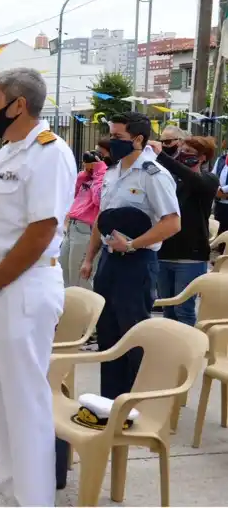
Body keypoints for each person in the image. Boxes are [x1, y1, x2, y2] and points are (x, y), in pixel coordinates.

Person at [0, 68, 76, 507]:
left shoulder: (49, 153)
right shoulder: (8, 151)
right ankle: (5, 495)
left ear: (18, 104)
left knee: (25, 400)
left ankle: (33, 501)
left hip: (24, 286)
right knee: (1, 396)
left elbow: (41, 231)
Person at [80, 111, 180, 400]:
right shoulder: (113, 172)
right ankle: (108, 404)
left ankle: (134, 405)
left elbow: (172, 223)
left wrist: (134, 244)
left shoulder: (154, 174)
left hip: (137, 264)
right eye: (111, 135)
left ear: (138, 139)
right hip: (109, 263)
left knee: (133, 336)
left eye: (118, 137)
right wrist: (90, 258)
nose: (112, 141)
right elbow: (103, 219)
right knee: (108, 337)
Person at [152, 135, 218, 326]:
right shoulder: (172, 180)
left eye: (191, 153)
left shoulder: (208, 180)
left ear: (204, 157)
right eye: (183, 150)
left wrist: (163, 156)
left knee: (184, 309)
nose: (184, 155)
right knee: (167, 308)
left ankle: (189, 352)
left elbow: (192, 179)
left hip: (191, 255)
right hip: (165, 252)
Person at [60, 139, 110, 289]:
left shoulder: (108, 174)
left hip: (87, 230)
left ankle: (84, 312)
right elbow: (72, 196)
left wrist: (100, 170)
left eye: (100, 154)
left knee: (80, 280)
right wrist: (84, 175)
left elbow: (99, 199)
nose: (95, 158)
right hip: (73, 228)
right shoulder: (90, 177)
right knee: (64, 276)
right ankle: (68, 311)